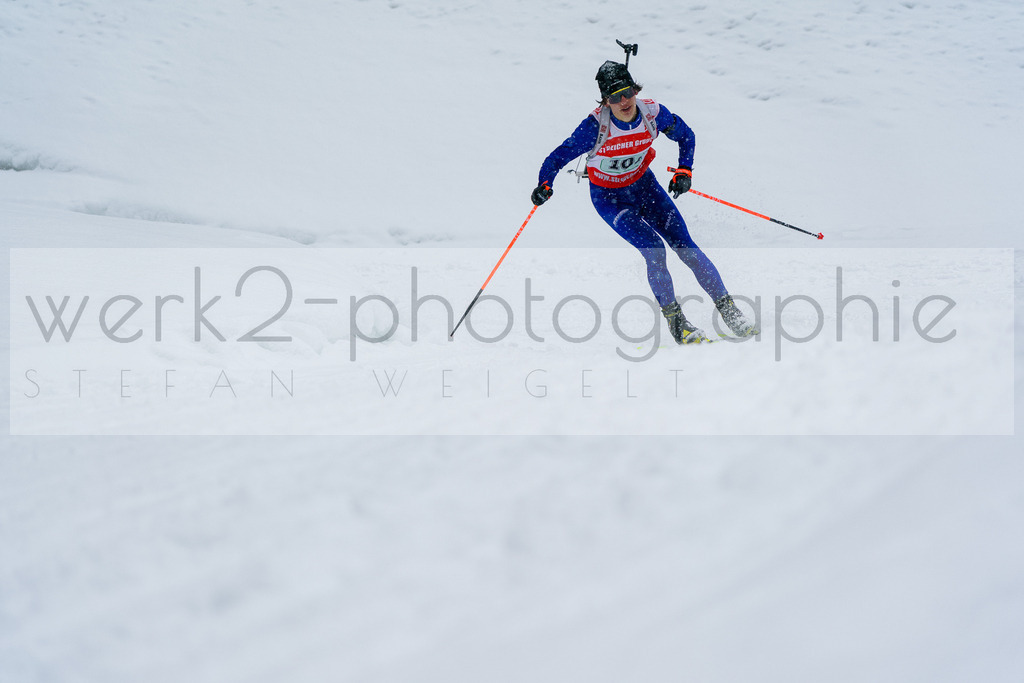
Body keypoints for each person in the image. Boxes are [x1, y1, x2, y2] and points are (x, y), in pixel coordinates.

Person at [531, 60, 756, 344]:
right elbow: (556, 157)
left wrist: (684, 171)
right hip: (610, 200)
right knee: (654, 250)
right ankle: (678, 325)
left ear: (635, 90)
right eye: (615, 97)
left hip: (645, 188)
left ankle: (731, 313)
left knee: (686, 247)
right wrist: (545, 184)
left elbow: (686, 136)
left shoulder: (653, 114)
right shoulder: (594, 127)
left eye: (627, 92)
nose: (624, 101)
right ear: (605, 101)